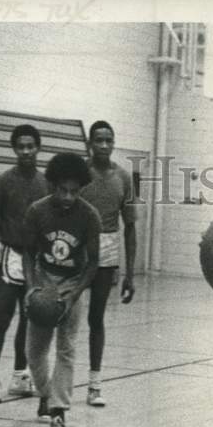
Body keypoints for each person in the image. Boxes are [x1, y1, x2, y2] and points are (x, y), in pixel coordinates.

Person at [23, 153, 102, 427]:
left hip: (72, 282)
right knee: (34, 352)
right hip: (44, 280)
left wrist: (74, 295)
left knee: (66, 349)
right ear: (52, 185)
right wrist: (32, 287)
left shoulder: (89, 215)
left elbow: (93, 262)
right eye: (62, 190)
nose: (68, 196)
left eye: (74, 191)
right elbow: (28, 253)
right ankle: (47, 394)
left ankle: (58, 413)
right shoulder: (37, 211)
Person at [0, 124, 49, 402]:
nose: (26, 151)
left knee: (29, 320)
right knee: (3, 317)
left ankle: (21, 375)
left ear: (38, 148)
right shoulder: (1, 182)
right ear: (14, 149)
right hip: (9, 255)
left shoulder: (46, 184)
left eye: (30, 146)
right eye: (21, 146)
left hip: (36, 259)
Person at [79, 121, 137, 407]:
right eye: (98, 140)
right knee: (63, 317)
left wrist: (130, 274)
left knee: (96, 318)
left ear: (114, 143)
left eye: (108, 140)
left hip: (107, 248)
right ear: (90, 143)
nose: (104, 145)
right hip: (77, 248)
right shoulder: (78, 174)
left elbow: (130, 228)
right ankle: (54, 384)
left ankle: (94, 383)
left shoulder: (123, 178)